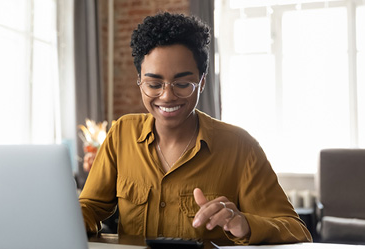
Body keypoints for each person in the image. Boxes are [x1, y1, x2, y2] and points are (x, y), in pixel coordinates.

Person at [79, 12, 312, 245]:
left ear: (202, 81)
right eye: (153, 84)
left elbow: (297, 231)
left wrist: (244, 224)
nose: (167, 96)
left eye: (182, 84)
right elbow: (90, 207)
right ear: (139, 80)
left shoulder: (241, 147)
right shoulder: (122, 134)